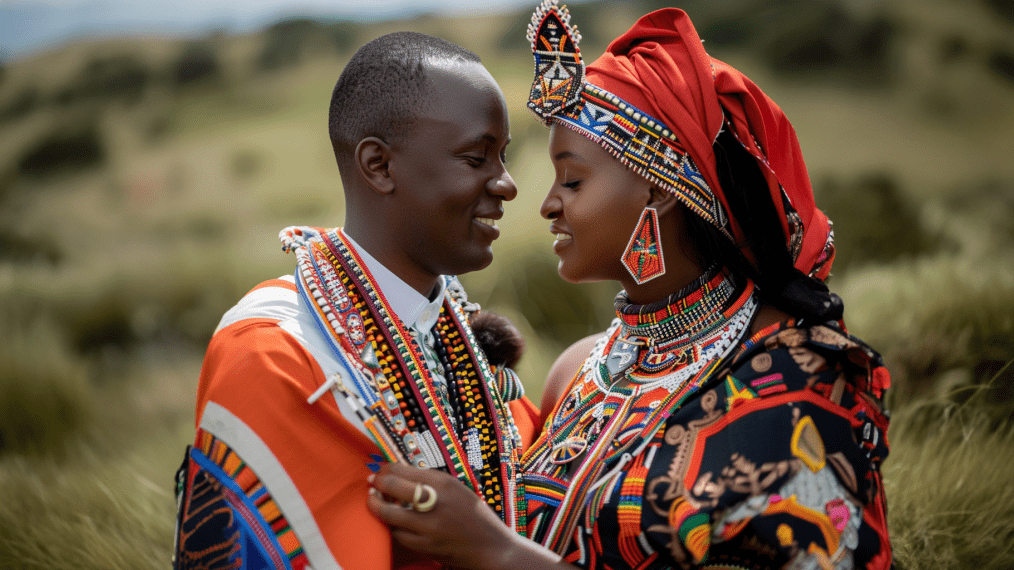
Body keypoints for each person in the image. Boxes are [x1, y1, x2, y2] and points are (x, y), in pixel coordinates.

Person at [366, 3, 893, 570]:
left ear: (659, 189)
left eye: (572, 179)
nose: (547, 204)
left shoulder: (798, 385)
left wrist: (495, 550)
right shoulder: (577, 370)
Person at [172, 32, 542, 570]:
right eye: (475, 158)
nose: (506, 184)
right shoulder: (273, 357)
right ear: (379, 166)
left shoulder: (454, 334)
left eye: (503, 157)